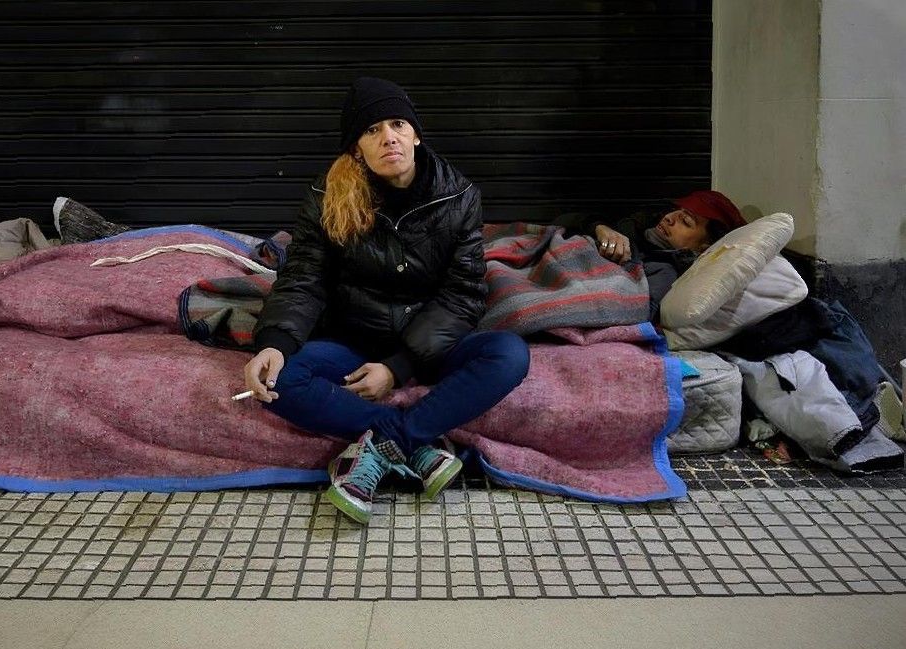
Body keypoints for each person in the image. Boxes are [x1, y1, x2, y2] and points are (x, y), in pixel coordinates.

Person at [243, 77, 530, 524]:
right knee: (280, 379)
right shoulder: (327, 198)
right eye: (371, 130)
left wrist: (398, 369)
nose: (388, 137)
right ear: (357, 148)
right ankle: (416, 444)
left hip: (429, 347)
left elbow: (463, 296)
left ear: (416, 133)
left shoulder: (458, 197)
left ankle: (381, 446)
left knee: (508, 354)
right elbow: (303, 277)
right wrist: (275, 341)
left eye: (397, 124)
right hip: (352, 340)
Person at [556, 190, 748, 321]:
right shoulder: (634, 225)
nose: (669, 218)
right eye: (676, 211)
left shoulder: (663, 271)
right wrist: (599, 228)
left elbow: (630, 315)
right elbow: (558, 222)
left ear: (702, 248)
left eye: (686, 221)